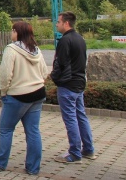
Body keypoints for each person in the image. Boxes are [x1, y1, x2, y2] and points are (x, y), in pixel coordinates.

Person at [0, 21, 48, 175]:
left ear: (18, 33)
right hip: (38, 93)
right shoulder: (36, 50)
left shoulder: (11, 49)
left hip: (18, 95)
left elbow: (5, 75)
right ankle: (33, 168)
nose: (11, 33)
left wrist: (3, 92)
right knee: (33, 131)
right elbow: (44, 72)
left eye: (13, 30)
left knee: (5, 129)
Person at [51, 11, 97, 163]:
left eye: (58, 22)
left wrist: (55, 78)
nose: (56, 24)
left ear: (66, 23)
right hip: (79, 83)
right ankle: (88, 149)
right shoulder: (80, 39)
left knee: (71, 119)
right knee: (81, 116)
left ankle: (75, 153)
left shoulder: (65, 41)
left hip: (68, 85)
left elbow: (61, 63)